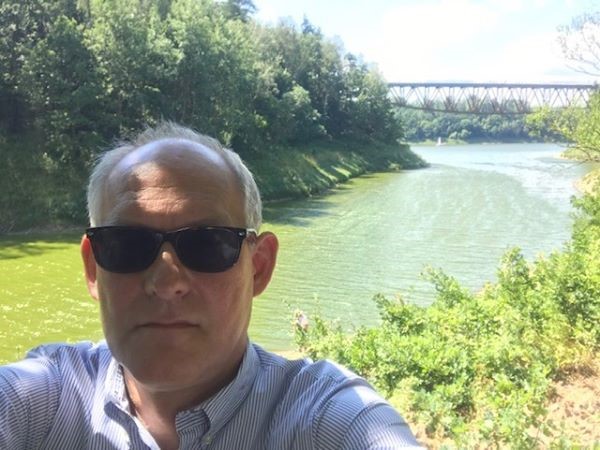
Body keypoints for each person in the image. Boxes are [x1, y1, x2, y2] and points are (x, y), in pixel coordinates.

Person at [0, 123, 423, 449]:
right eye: (127, 245)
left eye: (208, 245)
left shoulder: (326, 417)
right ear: (94, 269)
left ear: (258, 268)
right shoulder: (45, 398)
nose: (166, 283)